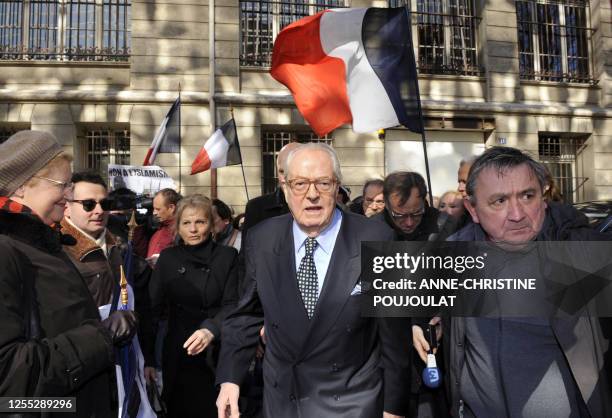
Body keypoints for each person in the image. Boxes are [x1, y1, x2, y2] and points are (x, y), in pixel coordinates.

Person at [216, 143, 411, 418]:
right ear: (285, 189)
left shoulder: (377, 238)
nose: (312, 195)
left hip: (352, 403)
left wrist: (393, 408)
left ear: (338, 189)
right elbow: (245, 314)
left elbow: (395, 340)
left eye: (323, 183)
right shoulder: (261, 237)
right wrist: (230, 379)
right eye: (299, 184)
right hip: (282, 401)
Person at [415, 146, 612, 417]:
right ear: (472, 209)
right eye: (499, 201)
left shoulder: (580, 253)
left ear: (542, 197)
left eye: (527, 195)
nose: (517, 214)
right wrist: (419, 319)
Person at [0, 130, 137, 417]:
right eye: (62, 185)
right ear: (23, 187)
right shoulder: (7, 250)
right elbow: (9, 376)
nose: (69, 196)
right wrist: (99, 337)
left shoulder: (43, 245)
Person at [61, 172, 157, 417]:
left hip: (123, 363)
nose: (98, 210)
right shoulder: (55, 251)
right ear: (66, 207)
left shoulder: (120, 247)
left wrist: (148, 359)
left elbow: (141, 307)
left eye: (105, 204)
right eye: (88, 204)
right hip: (77, 368)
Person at [150, 194, 239, 417]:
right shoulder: (168, 259)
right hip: (178, 353)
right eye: (186, 223)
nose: (193, 229)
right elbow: (152, 310)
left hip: (217, 353)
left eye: (200, 222)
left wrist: (212, 329)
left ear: (211, 225)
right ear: (177, 227)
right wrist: (149, 360)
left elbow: (233, 304)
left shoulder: (228, 256)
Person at [242, 142, 301, 239]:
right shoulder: (256, 208)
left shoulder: (319, 205)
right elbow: (247, 252)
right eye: (281, 172)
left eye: (290, 171)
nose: (284, 179)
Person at [374, 171, 440, 241]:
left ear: (423, 201)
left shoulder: (444, 226)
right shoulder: (371, 232)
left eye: (417, 213)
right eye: (399, 215)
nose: (409, 223)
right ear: (386, 204)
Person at [147, 188, 181, 263]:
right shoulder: (160, 228)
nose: (154, 213)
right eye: (154, 209)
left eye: (158, 209)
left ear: (171, 208)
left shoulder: (180, 231)